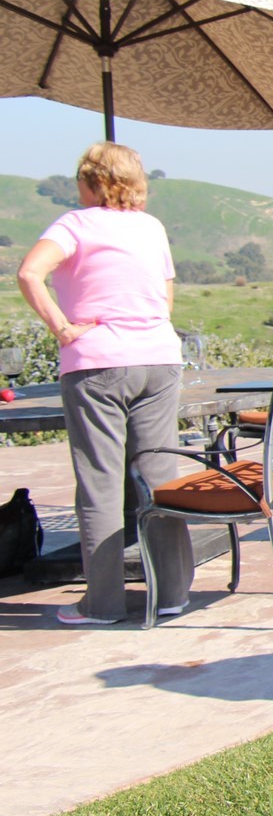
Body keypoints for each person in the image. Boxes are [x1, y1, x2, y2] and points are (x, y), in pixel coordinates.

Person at [16, 142, 193, 625]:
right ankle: (172, 594)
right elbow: (165, 297)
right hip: (158, 357)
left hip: (96, 363)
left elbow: (30, 273)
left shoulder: (74, 224)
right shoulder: (151, 227)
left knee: (100, 485)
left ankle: (104, 604)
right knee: (160, 479)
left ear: (91, 181)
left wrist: (62, 327)